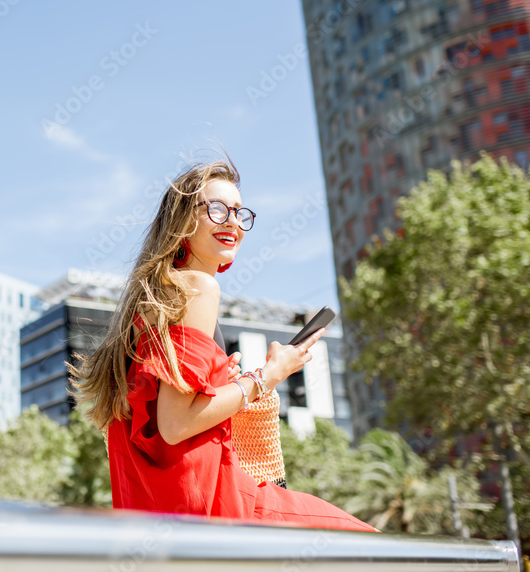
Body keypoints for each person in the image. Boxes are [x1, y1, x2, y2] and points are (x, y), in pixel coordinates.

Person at [68, 154, 379, 532]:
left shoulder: (149, 305)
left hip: (161, 521)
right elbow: (176, 424)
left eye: (239, 212)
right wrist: (268, 375)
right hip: (218, 506)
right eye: (216, 209)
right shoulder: (198, 288)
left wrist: (219, 383)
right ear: (181, 221)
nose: (233, 221)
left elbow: (160, 421)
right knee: (376, 546)